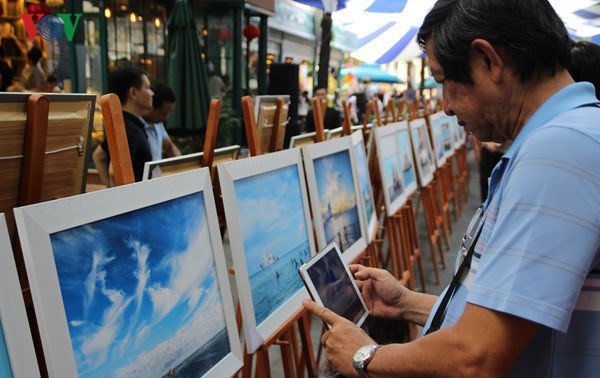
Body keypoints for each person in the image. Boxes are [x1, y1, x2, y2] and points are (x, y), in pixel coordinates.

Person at [303, 1, 600, 377]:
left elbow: (478, 356)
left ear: (488, 60)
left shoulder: (558, 150)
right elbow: (514, 321)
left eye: (445, 81)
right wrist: (409, 304)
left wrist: (364, 356)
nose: (444, 105)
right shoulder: (568, 137)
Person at [92, 66, 154, 185]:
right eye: (147, 88)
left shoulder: (124, 125)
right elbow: (114, 173)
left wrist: (109, 188)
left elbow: (98, 155)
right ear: (133, 93)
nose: (152, 93)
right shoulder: (129, 130)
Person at [143, 83, 181, 160]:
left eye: (168, 113)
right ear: (150, 106)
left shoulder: (158, 123)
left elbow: (169, 147)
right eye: (162, 113)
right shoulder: (136, 127)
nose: (165, 118)